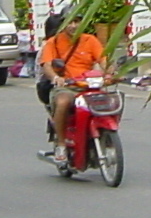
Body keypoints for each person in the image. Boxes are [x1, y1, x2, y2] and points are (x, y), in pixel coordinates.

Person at [38, 14, 107, 163]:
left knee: (109, 102)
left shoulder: (91, 40)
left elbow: (103, 60)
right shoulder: (53, 42)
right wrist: (56, 78)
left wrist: (110, 73)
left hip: (89, 86)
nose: (73, 26)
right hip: (67, 87)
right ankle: (61, 144)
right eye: (70, 22)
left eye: (77, 22)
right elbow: (47, 65)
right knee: (62, 102)